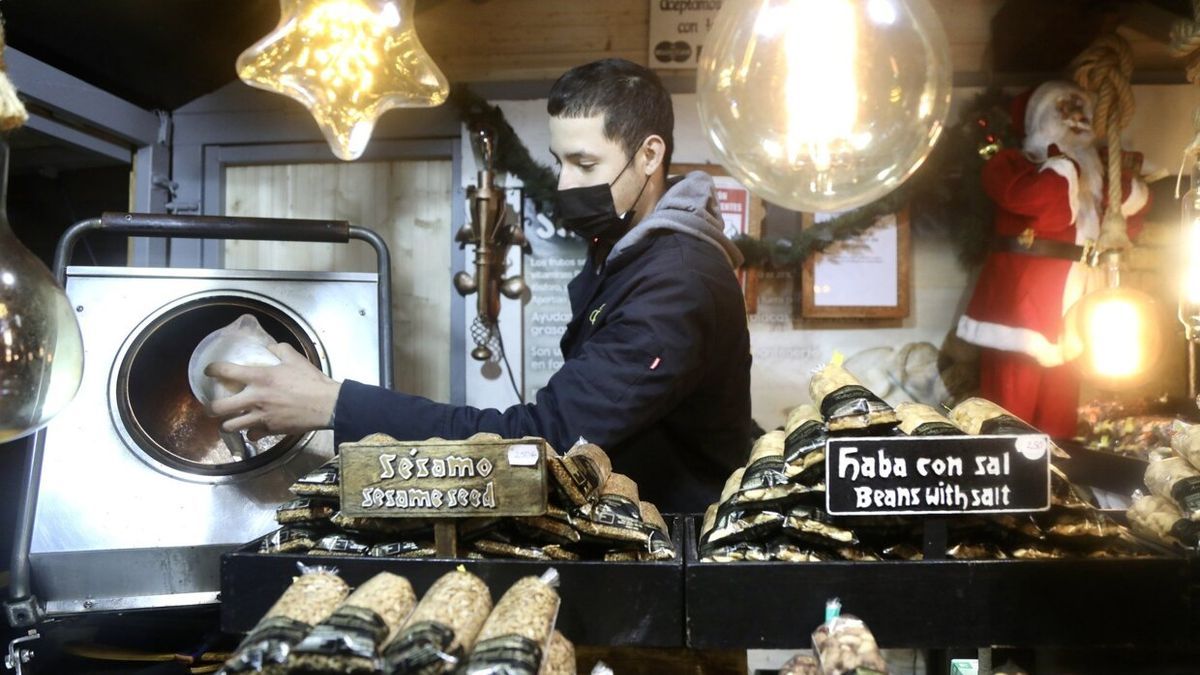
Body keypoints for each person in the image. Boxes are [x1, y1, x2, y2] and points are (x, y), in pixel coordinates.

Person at [207, 58, 752, 512]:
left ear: (650, 156)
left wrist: (334, 404)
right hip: (632, 536)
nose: (564, 185)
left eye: (585, 164)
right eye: (559, 162)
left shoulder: (678, 282)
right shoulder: (631, 254)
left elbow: (545, 440)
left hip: (673, 564)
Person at [956, 80, 1148, 438]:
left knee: (1060, 413)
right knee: (1010, 416)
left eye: (1081, 114)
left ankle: (1060, 486)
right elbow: (1050, 209)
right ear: (1038, 120)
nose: (1076, 120)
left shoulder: (1092, 175)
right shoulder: (1014, 167)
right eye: (1063, 112)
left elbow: (1129, 222)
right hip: (1023, 309)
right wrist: (1067, 167)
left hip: (1077, 303)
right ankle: (1009, 489)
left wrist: (1110, 177)